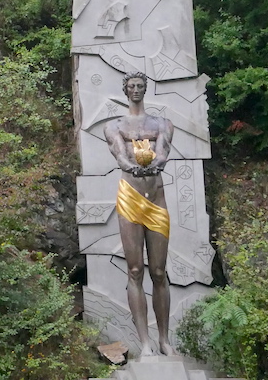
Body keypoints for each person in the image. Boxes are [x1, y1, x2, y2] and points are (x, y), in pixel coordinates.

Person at [103, 71, 176, 356]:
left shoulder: (161, 123)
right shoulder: (115, 125)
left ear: (146, 89)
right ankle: (144, 342)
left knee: (158, 271)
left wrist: (155, 162)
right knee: (135, 270)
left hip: (156, 198)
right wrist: (131, 165)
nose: (136, 90)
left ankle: (164, 340)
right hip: (131, 196)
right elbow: (119, 153)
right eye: (131, 86)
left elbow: (163, 151)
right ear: (125, 90)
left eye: (140, 86)